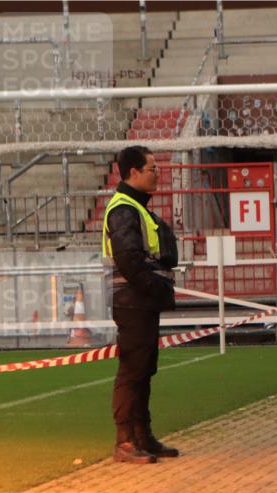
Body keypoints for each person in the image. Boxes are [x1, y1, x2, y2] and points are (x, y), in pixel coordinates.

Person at [103, 146, 179, 464]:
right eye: (151, 167)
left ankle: (142, 436)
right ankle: (125, 441)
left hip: (141, 300)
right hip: (133, 301)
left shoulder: (136, 207)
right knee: (133, 371)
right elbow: (130, 261)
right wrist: (157, 287)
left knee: (144, 369)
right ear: (133, 172)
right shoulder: (124, 209)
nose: (157, 171)